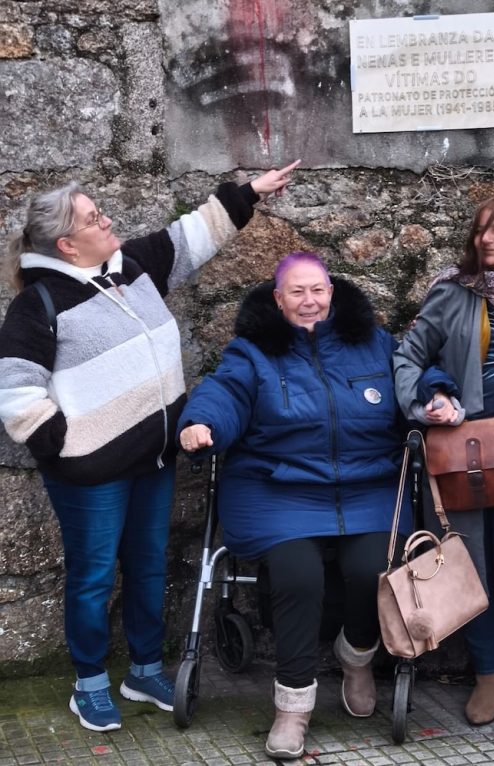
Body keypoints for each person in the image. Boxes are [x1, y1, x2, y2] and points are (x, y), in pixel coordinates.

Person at [0, 160, 300, 732]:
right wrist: (64, 444)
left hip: (154, 460)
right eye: (94, 218)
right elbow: (15, 389)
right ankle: (89, 683)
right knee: (92, 578)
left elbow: (192, 235)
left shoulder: (131, 266)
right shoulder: (37, 306)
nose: (107, 220)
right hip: (89, 474)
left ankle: (142, 669)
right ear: (67, 244)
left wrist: (251, 192)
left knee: (147, 569)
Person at [178, 252, 410, 760]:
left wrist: (438, 395)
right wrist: (202, 424)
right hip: (278, 491)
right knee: (297, 573)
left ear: (332, 291)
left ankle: (357, 657)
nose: (310, 302)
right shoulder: (253, 352)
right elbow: (224, 394)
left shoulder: (374, 343)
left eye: (318, 290)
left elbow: (416, 379)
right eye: (297, 293)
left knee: (376, 568)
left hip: (366, 487)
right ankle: (293, 706)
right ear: (278, 299)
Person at [393, 197, 494, 730]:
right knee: (472, 571)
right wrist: (426, 407)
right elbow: (408, 356)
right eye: (482, 231)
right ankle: (486, 673)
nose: (488, 240)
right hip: (460, 451)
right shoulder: (451, 291)